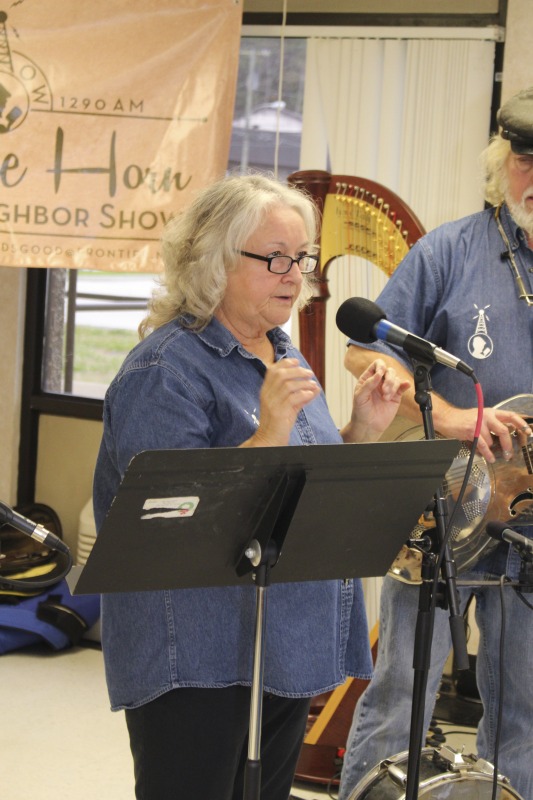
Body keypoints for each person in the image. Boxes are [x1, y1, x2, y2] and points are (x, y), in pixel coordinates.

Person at [92, 173, 410, 800]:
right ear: (212, 260)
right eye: (273, 258)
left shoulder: (284, 354)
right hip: (197, 656)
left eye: (300, 258)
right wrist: (268, 431)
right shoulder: (164, 371)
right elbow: (163, 523)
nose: (293, 275)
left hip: (281, 645)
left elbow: (300, 489)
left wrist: (360, 432)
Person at [337, 86, 533, 800]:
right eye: (522, 159)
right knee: (400, 696)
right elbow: (365, 354)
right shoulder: (449, 249)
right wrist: (452, 418)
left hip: (532, 527)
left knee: (525, 711)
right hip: (442, 513)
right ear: (500, 163)